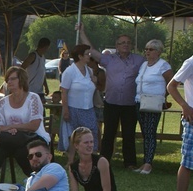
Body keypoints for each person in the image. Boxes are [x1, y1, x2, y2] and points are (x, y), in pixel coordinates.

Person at [79, 25, 144, 169]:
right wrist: (82, 32)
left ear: (131, 45)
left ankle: (130, 163)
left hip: (130, 104)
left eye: (128, 42)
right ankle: (104, 161)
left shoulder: (139, 60)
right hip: (111, 102)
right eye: (122, 43)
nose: (125, 45)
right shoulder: (109, 59)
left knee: (129, 134)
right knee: (109, 133)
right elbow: (91, 50)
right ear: (117, 46)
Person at [0, 66, 51, 185]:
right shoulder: (3, 102)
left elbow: (34, 125)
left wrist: (13, 128)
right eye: (7, 80)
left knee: (20, 149)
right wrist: (10, 130)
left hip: (33, 137)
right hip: (10, 139)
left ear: (21, 80)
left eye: (13, 79)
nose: (9, 82)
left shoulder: (33, 98)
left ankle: (38, 182)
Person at [134, 39, 173, 175]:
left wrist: (162, 96)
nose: (147, 52)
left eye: (151, 49)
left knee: (150, 132)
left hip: (153, 103)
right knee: (145, 133)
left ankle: (148, 163)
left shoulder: (163, 65)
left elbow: (171, 84)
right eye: (146, 49)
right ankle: (145, 161)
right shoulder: (144, 65)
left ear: (158, 51)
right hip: (139, 101)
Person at [68, 127, 122, 191]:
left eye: (91, 142)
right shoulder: (73, 167)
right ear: (76, 145)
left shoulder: (101, 161)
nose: (90, 145)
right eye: (86, 142)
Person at [59, 44, 98, 163]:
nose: (89, 56)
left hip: (88, 109)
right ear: (80, 56)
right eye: (87, 54)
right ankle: (70, 161)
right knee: (73, 136)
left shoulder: (89, 70)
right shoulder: (70, 71)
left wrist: (94, 81)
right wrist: (65, 110)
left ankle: (91, 160)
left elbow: (93, 87)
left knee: (92, 132)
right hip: (73, 108)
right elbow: (64, 91)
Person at [166, 53, 193, 191]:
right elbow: (171, 86)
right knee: (188, 162)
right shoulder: (190, 62)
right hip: (192, 120)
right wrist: (185, 106)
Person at [21, 37, 51, 101]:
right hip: (30, 89)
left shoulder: (43, 57)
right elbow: (21, 68)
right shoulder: (33, 56)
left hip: (40, 91)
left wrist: (46, 86)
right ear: (45, 46)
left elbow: (42, 73)